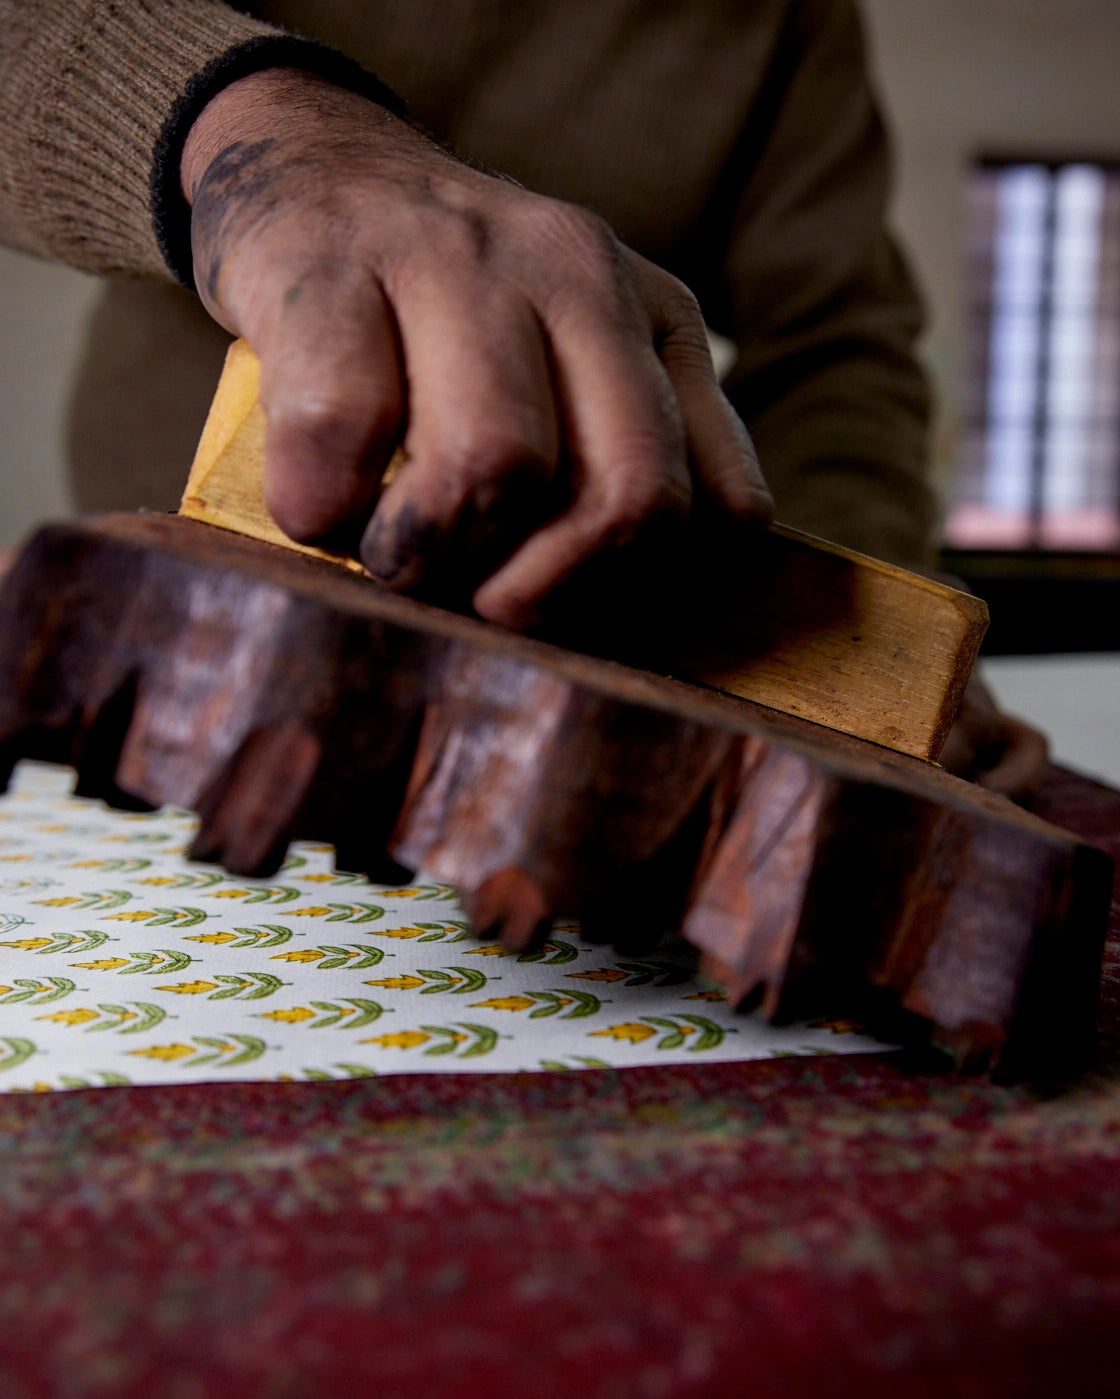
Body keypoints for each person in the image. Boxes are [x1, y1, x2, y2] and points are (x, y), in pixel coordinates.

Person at [0, 0, 1046, 791]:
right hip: (175, 628)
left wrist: (833, 649)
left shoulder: (781, 22)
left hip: (572, 670)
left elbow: (840, 345)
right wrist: (271, 144)